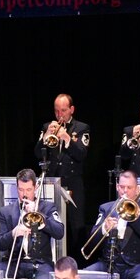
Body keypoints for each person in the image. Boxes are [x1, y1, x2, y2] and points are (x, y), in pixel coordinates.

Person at [0, 168, 65, 279]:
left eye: (28, 189)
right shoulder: (6, 212)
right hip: (13, 262)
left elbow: (59, 232)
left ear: (36, 188)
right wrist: (13, 233)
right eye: (20, 189)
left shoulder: (48, 208)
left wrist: (39, 216)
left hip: (40, 262)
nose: (24, 194)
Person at [34, 93, 89, 258]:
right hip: (51, 184)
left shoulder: (81, 128)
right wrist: (44, 137)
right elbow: (37, 153)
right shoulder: (47, 127)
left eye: (63, 110)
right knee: (51, 223)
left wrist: (66, 137)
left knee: (75, 226)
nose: (59, 115)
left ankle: (77, 264)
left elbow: (81, 154)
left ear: (71, 110)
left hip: (73, 184)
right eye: (57, 111)